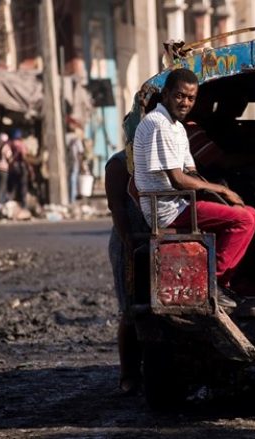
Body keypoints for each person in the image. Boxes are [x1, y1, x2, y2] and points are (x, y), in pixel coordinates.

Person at [132, 68, 255, 307]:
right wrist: (223, 191)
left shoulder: (178, 128)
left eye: (191, 98)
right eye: (180, 96)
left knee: (250, 213)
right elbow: (178, 180)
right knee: (244, 220)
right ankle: (216, 281)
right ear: (167, 94)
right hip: (167, 210)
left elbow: (191, 171)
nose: (185, 103)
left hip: (181, 203)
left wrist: (217, 191)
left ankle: (226, 280)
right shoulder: (158, 124)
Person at [105, 149, 148, 395]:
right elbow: (116, 207)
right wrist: (129, 241)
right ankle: (129, 374)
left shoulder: (164, 155)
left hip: (159, 242)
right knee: (131, 308)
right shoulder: (120, 163)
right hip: (129, 242)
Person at [8, 129, 30, 207]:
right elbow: (24, 156)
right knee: (23, 185)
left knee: (13, 186)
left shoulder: (10, 143)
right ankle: (23, 205)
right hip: (21, 166)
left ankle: (11, 203)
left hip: (13, 167)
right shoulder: (21, 144)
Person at [65, 121, 87, 202]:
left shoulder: (65, 137)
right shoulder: (76, 138)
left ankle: (70, 197)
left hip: (67, 161)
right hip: (75, 161)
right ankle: (72, 198)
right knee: (73, 179)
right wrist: (81, 164)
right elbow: (80, 152)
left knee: (69, 179)